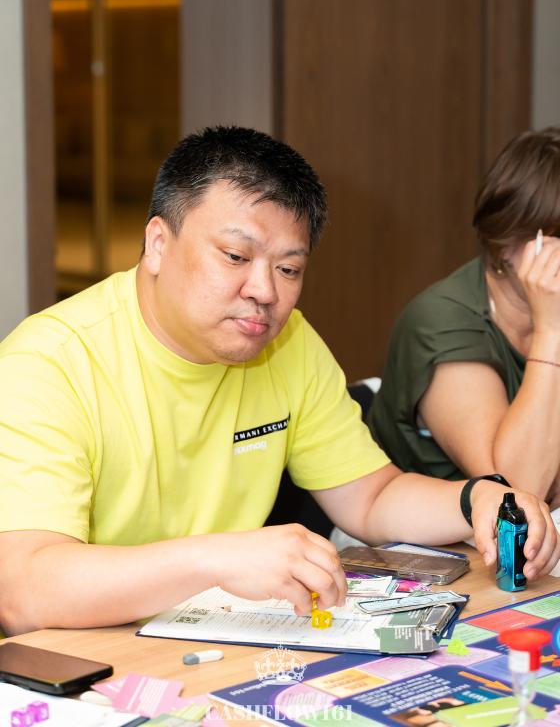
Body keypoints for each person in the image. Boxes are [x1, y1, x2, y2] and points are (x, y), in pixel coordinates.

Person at [0, 126, 557, 637]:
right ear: (158, 244)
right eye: (235, 256)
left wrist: (477, 497)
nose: (265, 292)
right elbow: (22, 592)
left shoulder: (287, 344)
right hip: (87, 658)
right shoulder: (49, 363)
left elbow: (370, 498)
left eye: (289, 269)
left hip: (214, 640)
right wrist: (218, 558)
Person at [369, 127, 560, 506]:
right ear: (507, 241)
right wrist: (552, 331)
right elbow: (518, 490)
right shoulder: (440, 322)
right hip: (423, 535)